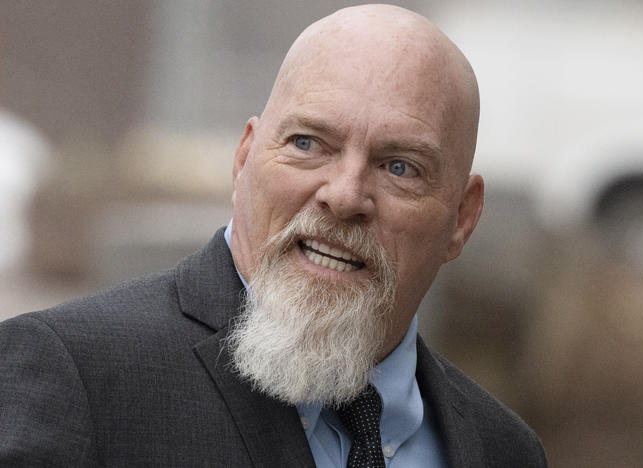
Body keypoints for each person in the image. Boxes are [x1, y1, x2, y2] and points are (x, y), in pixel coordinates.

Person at [0, 5, 547, 467]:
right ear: (244, 159)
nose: (344, 195)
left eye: (399, 167)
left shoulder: (505, 450)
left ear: (462, 217)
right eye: (309, 144)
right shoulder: (76, 375)